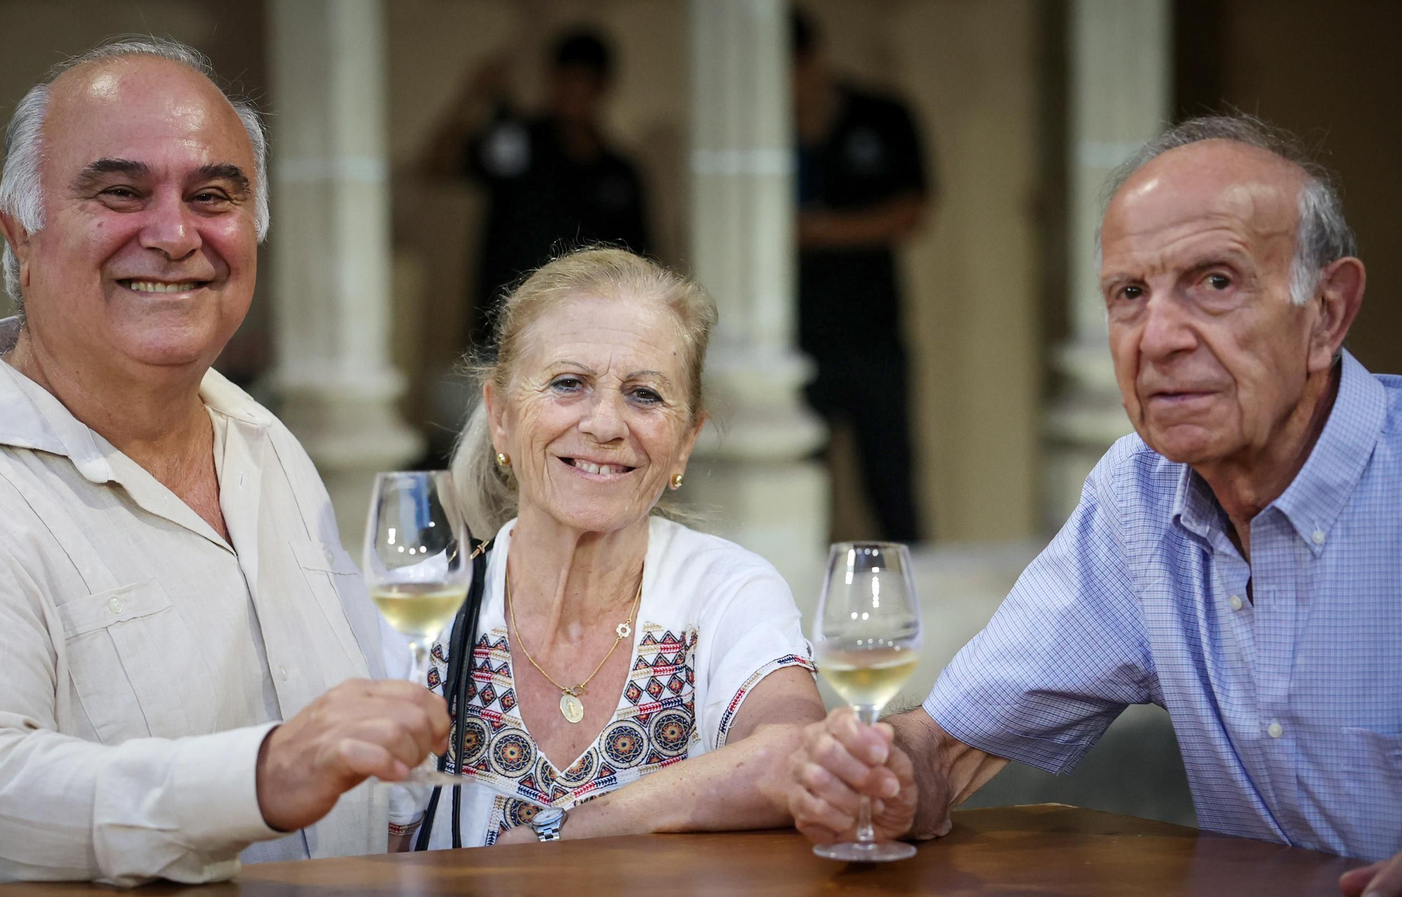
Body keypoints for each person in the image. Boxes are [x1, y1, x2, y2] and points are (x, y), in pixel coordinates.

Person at [0, 39, 448, 895]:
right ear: (20, 233)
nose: (176, 234)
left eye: (213, 195)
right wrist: (258, 776)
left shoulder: (266, 444)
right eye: (120, 192)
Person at [785, 115, 1402, 895]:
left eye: (1215, 281)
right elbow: (946, 750)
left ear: (1327, 314)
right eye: (1129, 294)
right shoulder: (1138, 498)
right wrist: (877, 776)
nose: (1159, 337)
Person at [391, 248, 825, 849]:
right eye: (568, 384)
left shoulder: (724, 589)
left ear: (684, 443)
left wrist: (567, 831)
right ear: (501, 419)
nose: (605, 424)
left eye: (645, 395)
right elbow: (370, 846)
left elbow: (798, 757)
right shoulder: (422, 608)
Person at [791, 8, 929, 543]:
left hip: (874, 332)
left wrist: (820, 231)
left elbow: (912, 210)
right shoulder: (767, 137)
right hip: (797, 342)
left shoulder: (881, 115)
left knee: (891, 479)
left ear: (811, 60)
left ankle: (913, 601)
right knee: (794, 480)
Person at [422, 29, 651, 352]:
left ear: (602, 88)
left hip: (588, 338)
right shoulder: (518, 142)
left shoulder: (620, 173)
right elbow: (436, 167)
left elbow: (640, 266)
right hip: (508, 329)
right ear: (552, 81)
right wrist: (473, 97)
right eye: (566, 81)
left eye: (583, 83)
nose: (573, 94)